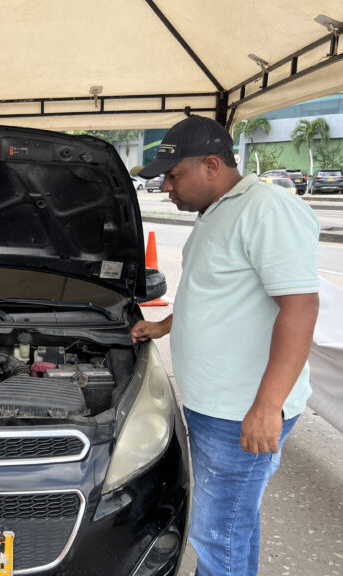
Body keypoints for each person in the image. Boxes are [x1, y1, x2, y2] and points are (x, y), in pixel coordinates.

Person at [131, 116, 319, 576]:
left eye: (173, 176)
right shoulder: (219, 210)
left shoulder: (266, 208)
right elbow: (218, 293)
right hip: (216, 405)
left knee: (219, 534)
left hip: (240, 411)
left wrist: (267, 406)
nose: (166, 187)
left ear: (212, 165)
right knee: (234, 524)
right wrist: (165, 325)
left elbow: (301, 307)